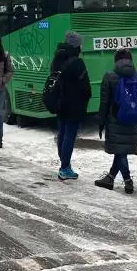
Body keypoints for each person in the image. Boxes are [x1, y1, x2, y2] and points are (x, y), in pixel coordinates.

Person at [95, 48, 137, 194]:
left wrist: (101, 121)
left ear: (116, 60)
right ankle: (111, 177)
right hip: (133, 118)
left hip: (116, 119)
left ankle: (127, 181)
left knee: (121, 151)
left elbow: (104, 102)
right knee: (121, 151)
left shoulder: (110, 76)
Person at [51, 31, 92, 180]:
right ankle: (65, 167)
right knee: (69, 135)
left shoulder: (58, 59)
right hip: (74, 104)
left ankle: (64, 163)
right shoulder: (77, 63)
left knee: (62, 132)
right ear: (76, 46)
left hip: (60, 103)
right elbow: (85, 87)